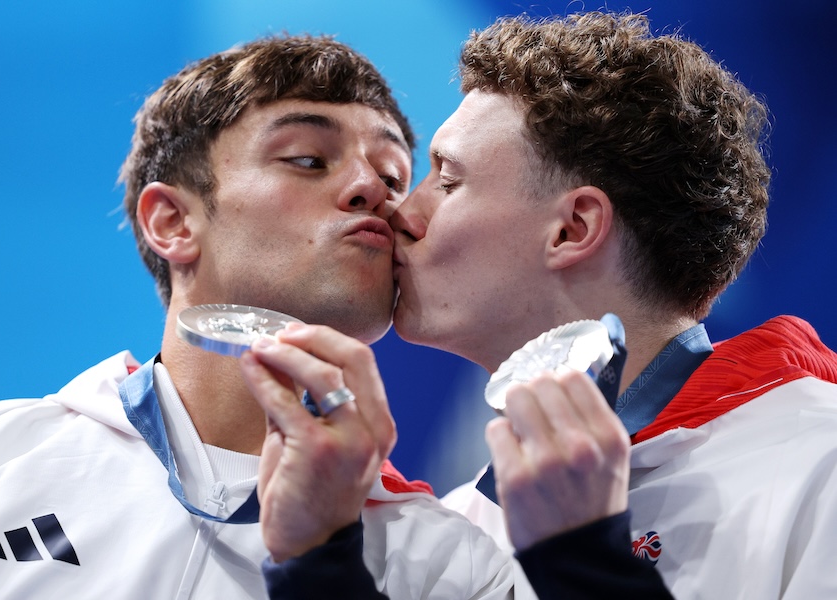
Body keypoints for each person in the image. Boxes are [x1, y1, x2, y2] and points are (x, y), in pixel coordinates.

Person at [245, 10, 837, 600]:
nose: (401, 213)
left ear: (573, 229)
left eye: (448, 180)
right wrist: (318, 568)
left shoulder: (819, 463)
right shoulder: (469, 524)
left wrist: (583, 567)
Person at [0, 34, 514, 598]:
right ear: (172, 223)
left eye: (393, 178)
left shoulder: (456, 568)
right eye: (309, 160)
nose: (372, 189)